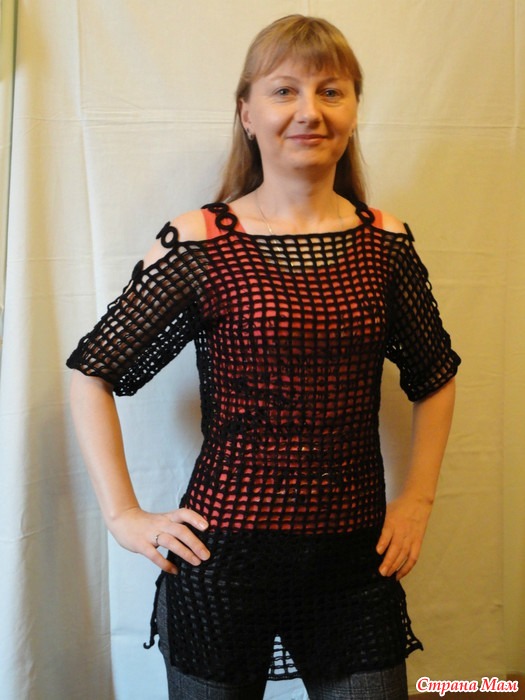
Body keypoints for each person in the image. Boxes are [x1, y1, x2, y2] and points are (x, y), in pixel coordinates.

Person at [67, 14, 460, 700]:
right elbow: (91, 371)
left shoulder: (384, 243)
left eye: (330, 91)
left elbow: (435, 376)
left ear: (352, 110)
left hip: (352, 564)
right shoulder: (200, 240)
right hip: (221, 560)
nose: (309, 111)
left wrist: (418, 499)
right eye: (284, 91)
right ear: (247, 113)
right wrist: (124, 515)